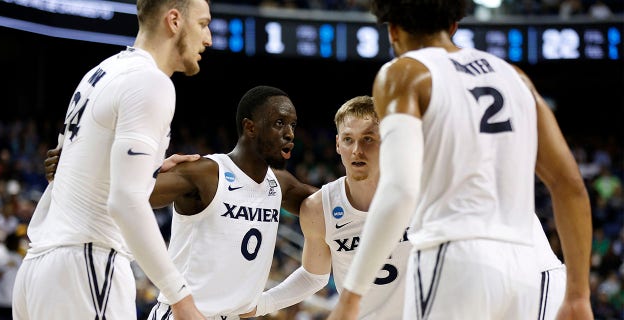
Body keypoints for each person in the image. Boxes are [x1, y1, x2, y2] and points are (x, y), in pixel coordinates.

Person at [327, 1, 593, 320]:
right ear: (454, 26)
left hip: (455, 258)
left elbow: (400, 190)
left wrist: (352, 294)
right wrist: (578, 293)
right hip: (527, 266)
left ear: (393, 31)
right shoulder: (515, 78)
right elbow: (570, 184)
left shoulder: (404, 72)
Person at [12, 1, 213, 319]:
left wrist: (149, 170)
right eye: (203, 24)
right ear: (174, 20)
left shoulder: (98, 74)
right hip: (88, 264)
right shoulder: (152, 82)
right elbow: (124, 201)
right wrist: (182, 300)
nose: (209, 39)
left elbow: (65, 169)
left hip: (39, 271)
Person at [144, 85, 317, 319]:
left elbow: (338, 204)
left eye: (293, 125)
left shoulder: (281, 185)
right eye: (279, 123)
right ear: (250, 127)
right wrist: (149, 170)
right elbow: (128, 196)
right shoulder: (204, 173)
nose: (290, 134)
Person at [243, 95, 410, 319]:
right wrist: (261, 304)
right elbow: (313, 276)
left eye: (368, 139)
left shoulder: (418, 194)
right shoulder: (318, 208)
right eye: (349, 139)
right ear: (338, 144)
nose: (357, 150)